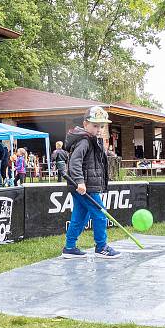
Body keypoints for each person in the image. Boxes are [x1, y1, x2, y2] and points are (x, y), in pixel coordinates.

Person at [61, 106, 121, 260]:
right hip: (85, 187)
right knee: (100, 215)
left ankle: (69, 247)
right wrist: (80, 182)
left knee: (80, 217)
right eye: (95, 126)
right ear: (85, 124)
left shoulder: (93, 140)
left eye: (101, 126)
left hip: (87, 186)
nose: (99, 129)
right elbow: (75, 163)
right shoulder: (84, 141)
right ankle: (101, 247)